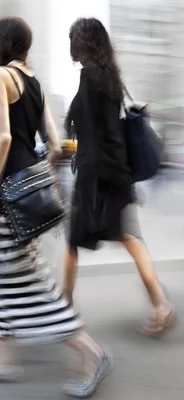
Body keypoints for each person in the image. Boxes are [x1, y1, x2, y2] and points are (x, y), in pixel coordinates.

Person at [0, 17, 112, 398]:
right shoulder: (32, 82)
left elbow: (1, 139)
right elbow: (53, 143)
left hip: (5, 190)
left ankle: (91, 352)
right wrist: (36, 177)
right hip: (26, 189)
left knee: (25, 283)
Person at [63, 17, 176, 337]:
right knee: (124, 239)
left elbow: (97, 137)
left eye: (73, 38)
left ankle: (62, 310)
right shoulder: (108, 77)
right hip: (108, 176)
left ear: (83, 43)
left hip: (99, 178)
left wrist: (89, 172)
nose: (70, 44)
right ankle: (158, 303)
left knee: (82, 242)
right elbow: (99, 133)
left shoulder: (92, 79)